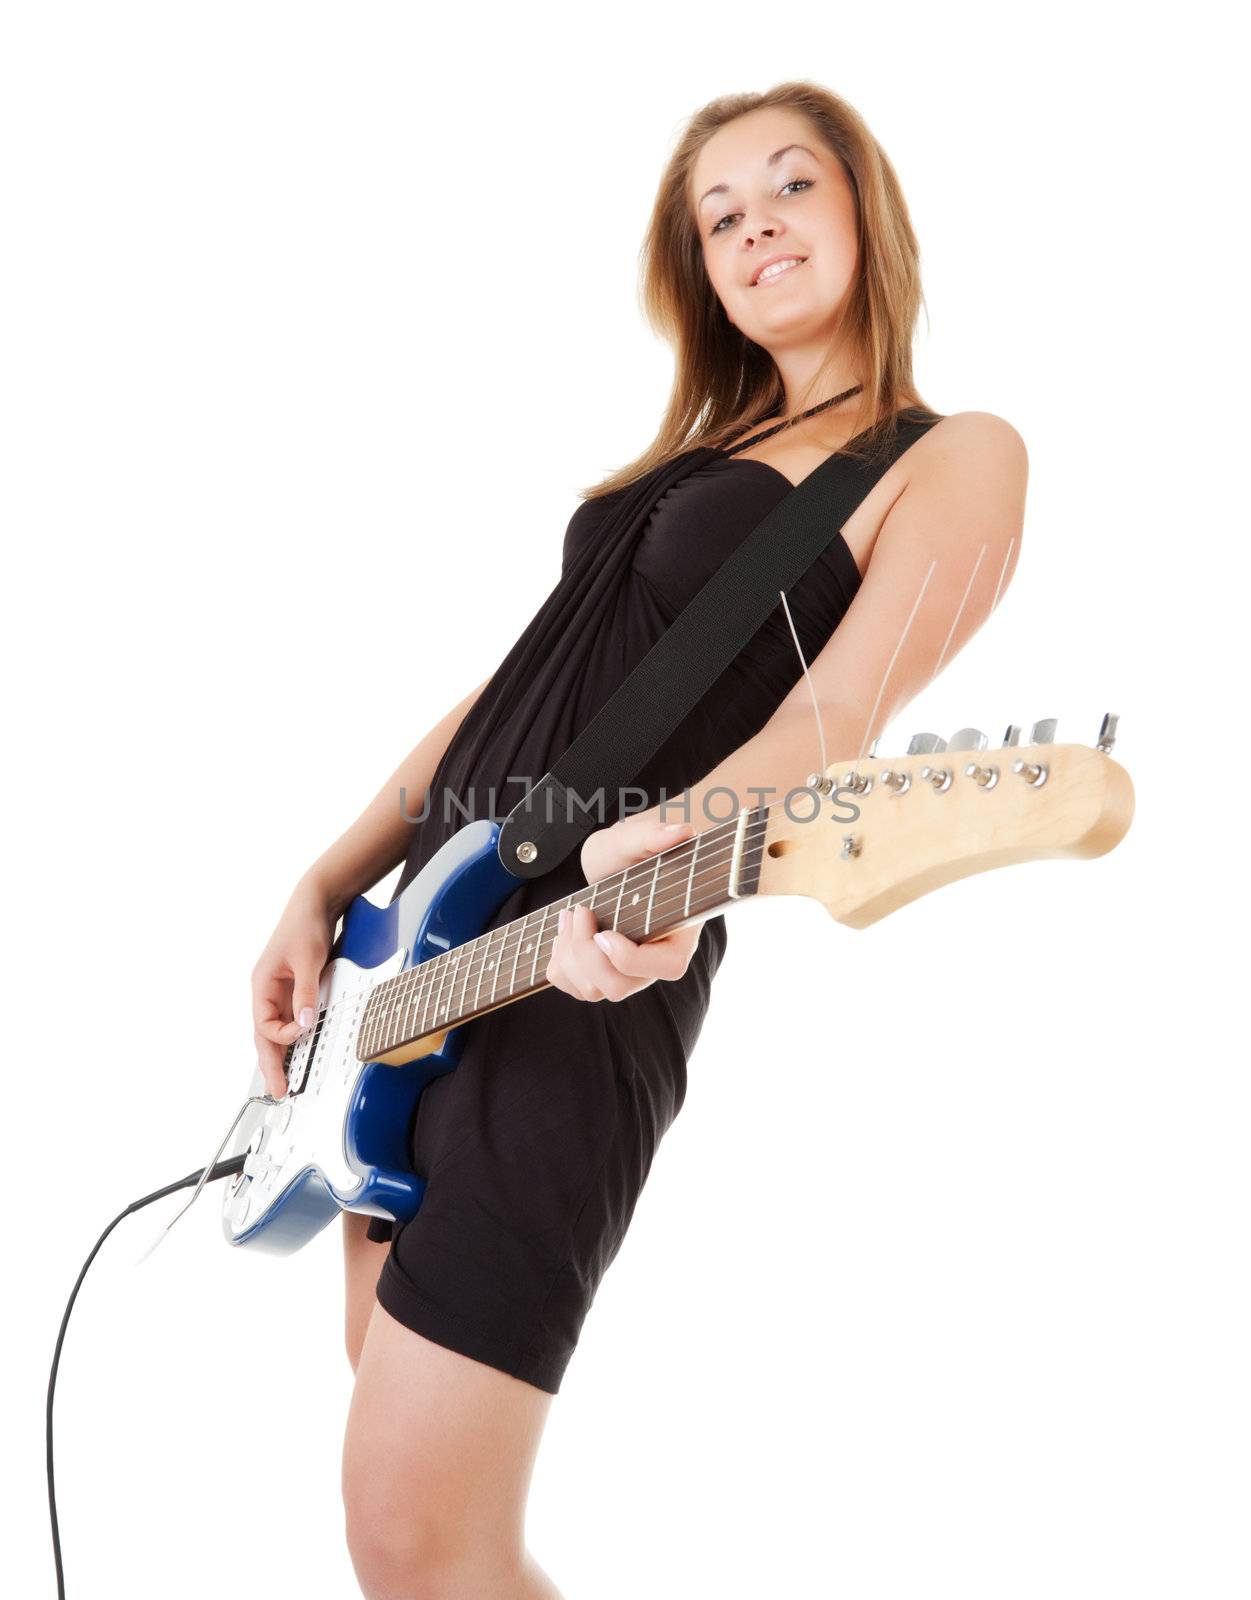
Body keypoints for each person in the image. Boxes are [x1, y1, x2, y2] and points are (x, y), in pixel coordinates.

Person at [250, 80, 1028, 1600]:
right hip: (422, 962)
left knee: (416, 1543)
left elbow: (841, 720)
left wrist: (680, 834)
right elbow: (511, 685)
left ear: (867, 209)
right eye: (721, 216)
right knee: (425, 1536)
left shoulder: (951, 452)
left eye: (792, 188)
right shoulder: (688, 457)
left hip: (592, 961)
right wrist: (327, 876)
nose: (757, 228)